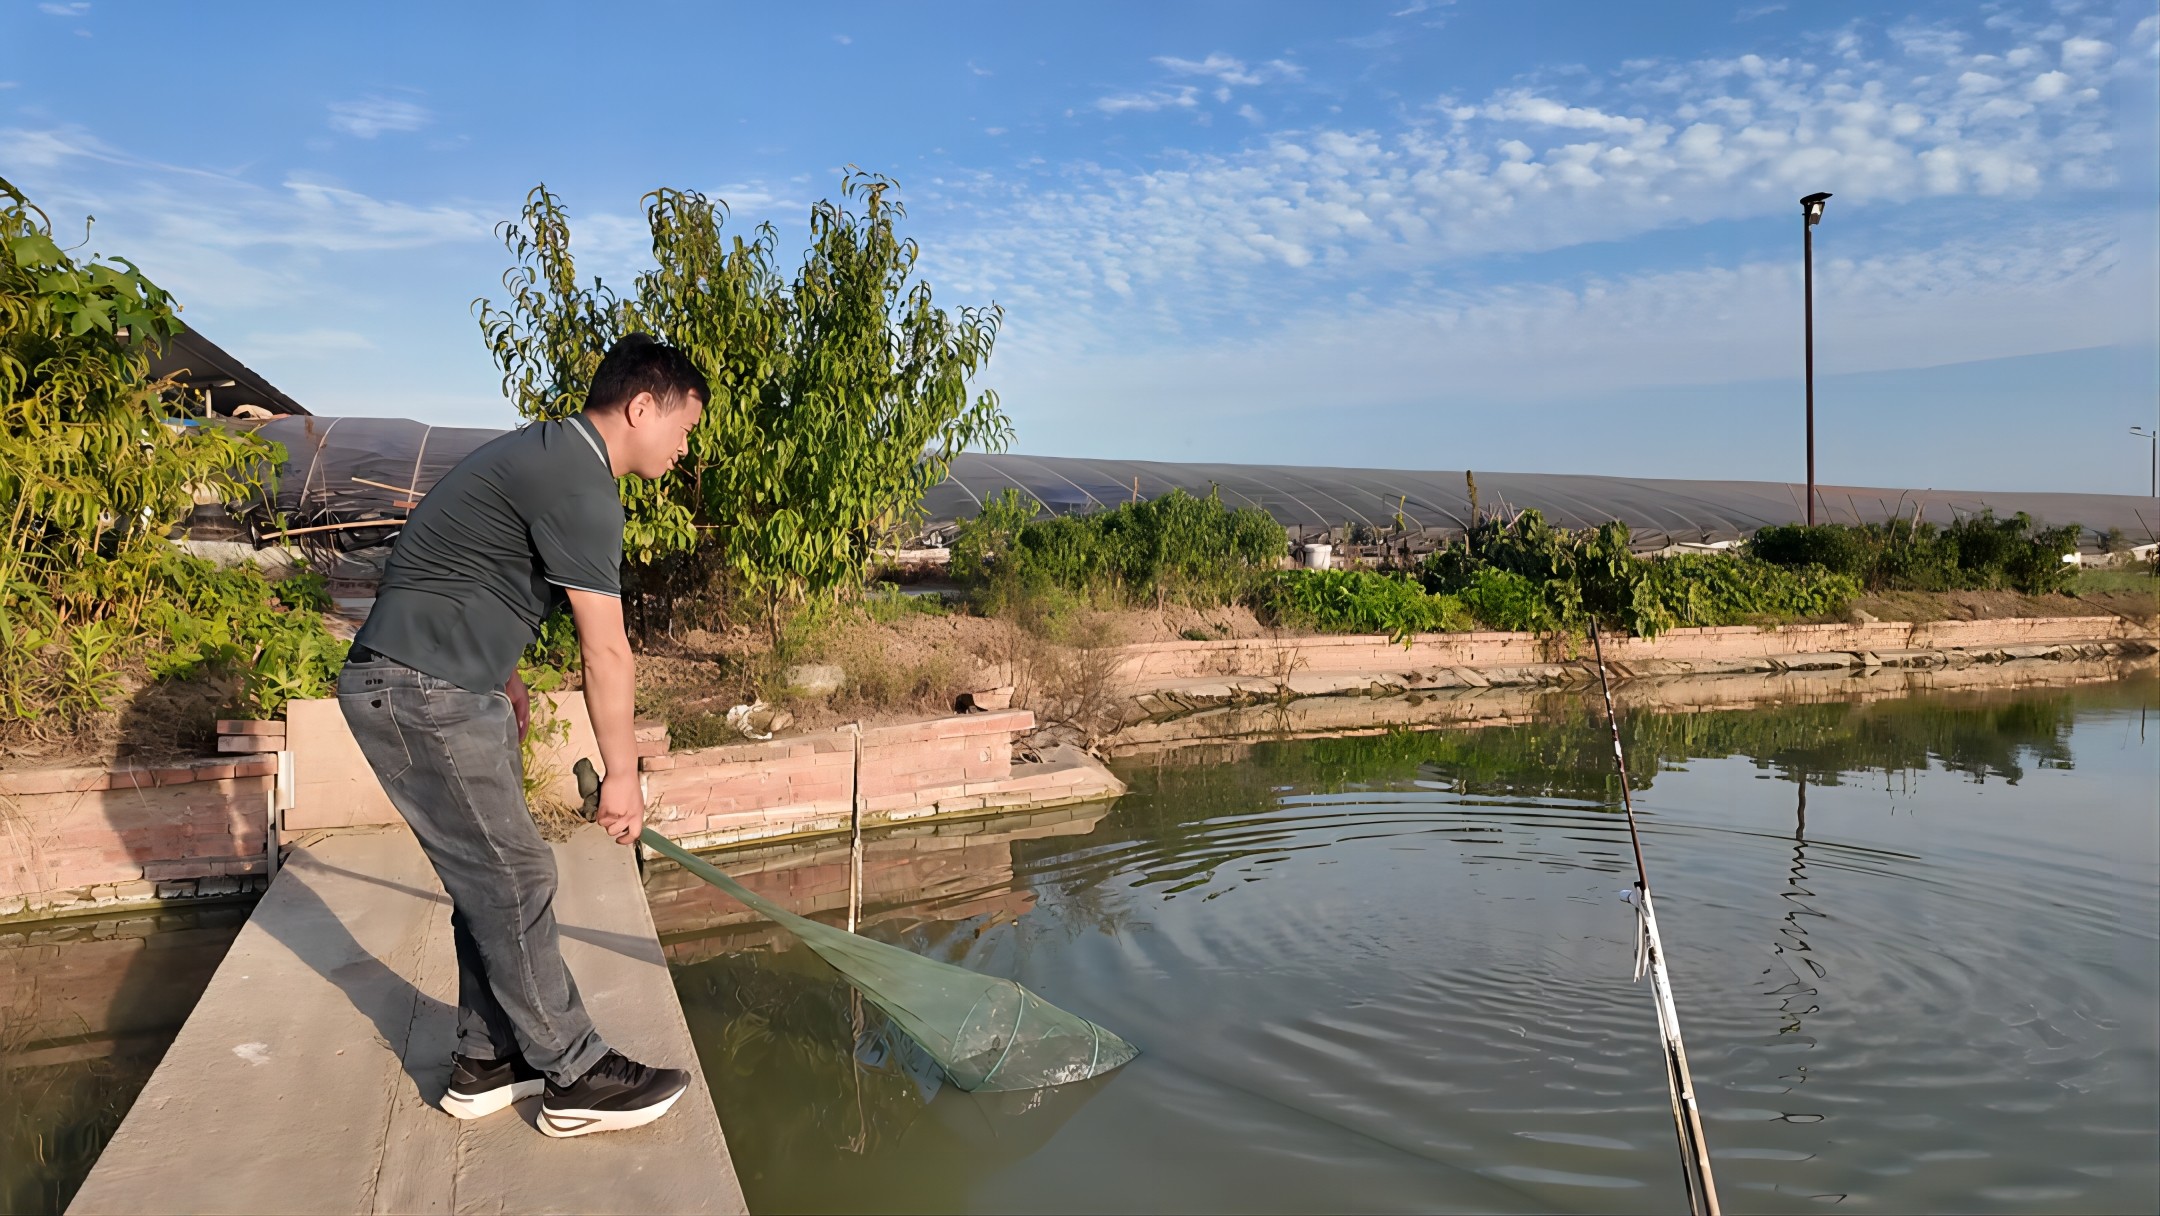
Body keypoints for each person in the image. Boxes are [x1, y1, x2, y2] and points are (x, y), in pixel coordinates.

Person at [337, 334, 705, 1138]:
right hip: (422, 690)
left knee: (489, 878)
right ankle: (573, 1073)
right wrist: (623, 774)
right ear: (642, 407)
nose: (684, 446)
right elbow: (605, 649)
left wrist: (500, 671)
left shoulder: (546, 455)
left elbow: (455, 562)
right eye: (683, 427)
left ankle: (487, 1056)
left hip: (437, 684)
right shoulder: (581, 483)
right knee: (515, 876)